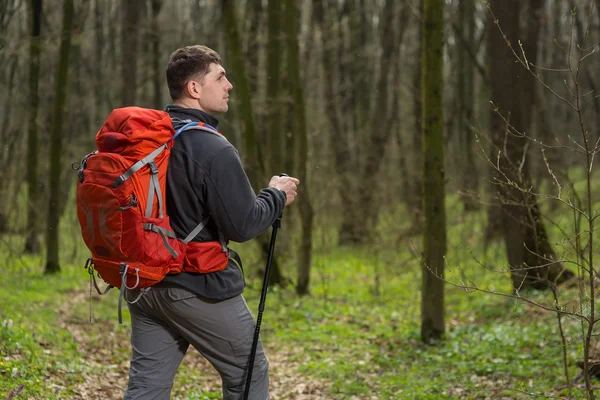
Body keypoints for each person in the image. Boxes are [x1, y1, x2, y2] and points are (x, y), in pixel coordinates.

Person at [124, 45, 299, 400]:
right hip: (195, 286)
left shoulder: (149, 141)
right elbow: (243, 225)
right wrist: (276, 195)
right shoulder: (212, 148)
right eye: (220, 77)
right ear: (194, 89)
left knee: (147, 387)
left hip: (143, 284)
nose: (229, 85)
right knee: (249, 373)